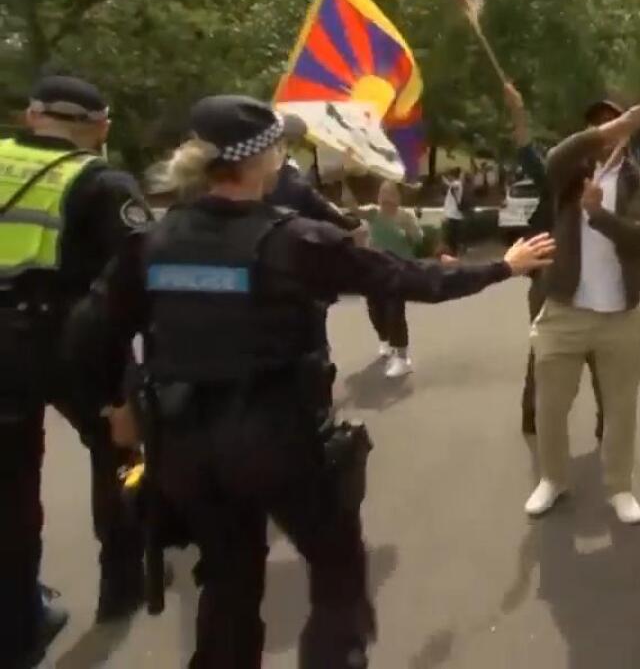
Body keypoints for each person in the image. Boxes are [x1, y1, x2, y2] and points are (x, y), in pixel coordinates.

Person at [64, 95, 554, 669]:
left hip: (184, 445)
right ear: (264, 160)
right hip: (277, 441)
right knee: (336, 569)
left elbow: (84, 336)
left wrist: (115, 407)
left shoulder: (151, 242)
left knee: (226, 585)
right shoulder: (295, 241)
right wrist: (504, 266)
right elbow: (409, 279)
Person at [0, 75, 154, 668]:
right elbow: (143, 270)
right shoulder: (101, 181)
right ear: (102, 127)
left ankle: (19, 625)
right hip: (73, 343)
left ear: (31, 114)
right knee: (119, 454)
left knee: (10, 490)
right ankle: (121, 585)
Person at [524, 100, 640, 525]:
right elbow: (555, 158)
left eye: (617, 127)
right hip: (564, 310)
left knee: (621, 409)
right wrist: (611, 127)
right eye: (599, 127)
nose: (610, 135)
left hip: (621, 316)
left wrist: (597, 213)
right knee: (550, 405)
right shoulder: (570, 177)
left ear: (632, 135)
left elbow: (636, 236)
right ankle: (553, 478)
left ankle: (619, 487)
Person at [505, 83, 607, 441]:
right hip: (549, 283)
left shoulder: (624, 180)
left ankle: (606, 421)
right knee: (543, 351)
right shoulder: (560, 173)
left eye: (610, 124)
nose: (602, 132)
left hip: (598, 288)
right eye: (595, 125)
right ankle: (532, 413)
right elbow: (525, 150)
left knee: (601, 358)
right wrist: (518, 111)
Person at [358, 181, 424, 378]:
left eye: (389, 193)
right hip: (374, 268)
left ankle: (403, 358)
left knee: (394, 310)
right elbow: (352, 207)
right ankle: (384, 338)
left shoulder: (405, 216)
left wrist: (407, 229)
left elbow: (418, 240)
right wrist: (343, 176)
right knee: (375, 309)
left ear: (397, 196)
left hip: (398, 269)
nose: (385, 196)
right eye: (382, 192)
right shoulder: (373, 213)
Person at [267, 114, 362, 232]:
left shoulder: (255, 166)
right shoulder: (295, 183)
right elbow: (326, 211)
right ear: (295, 143)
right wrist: (356, 223)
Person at [441, 167, 466, 256]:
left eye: (449, 176)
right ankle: (455, 252)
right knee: (453, 237)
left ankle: (454, 253)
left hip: (454, 215)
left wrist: (445, 181)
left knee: (452, 237)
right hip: (453, 214)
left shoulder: (457, 184)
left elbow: (452, 186)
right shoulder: (456, 184)